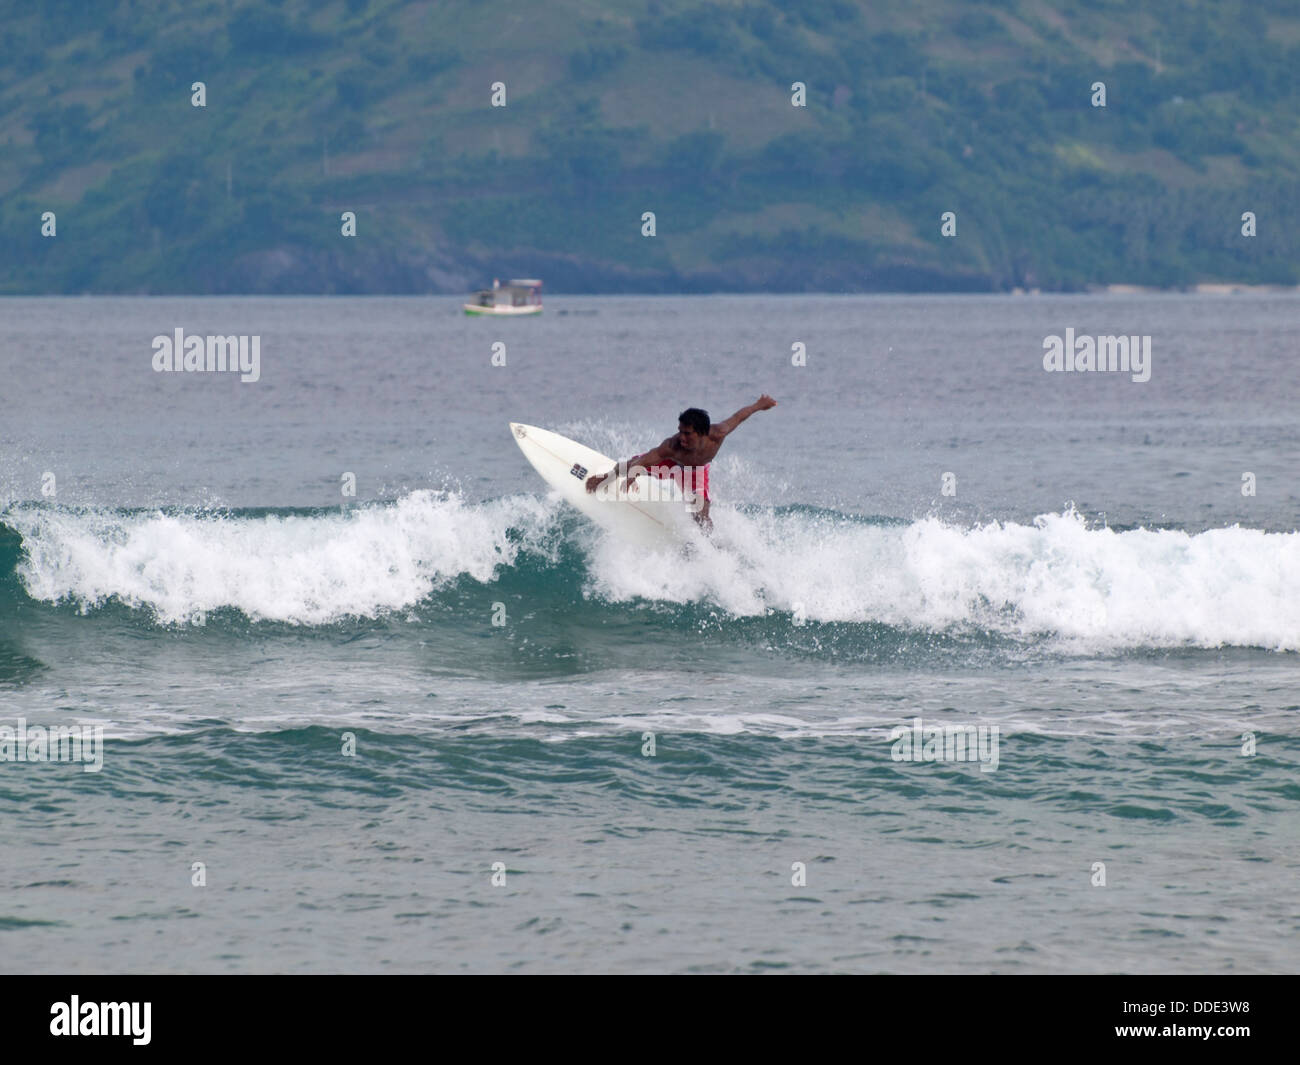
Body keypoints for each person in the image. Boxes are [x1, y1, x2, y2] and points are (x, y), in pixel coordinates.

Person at [585, 395, 778, 530]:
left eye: (687, 433)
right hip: (672, 462)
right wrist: (634, 472)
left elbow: (739, 416)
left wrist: (759, 405)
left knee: (701, 518)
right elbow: (646, 459)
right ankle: (605, 477)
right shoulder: (672, 446)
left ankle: (704, 548)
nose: (681, 437)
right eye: (680, 430)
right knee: (631, 463)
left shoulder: (718, 433)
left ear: (702, 432)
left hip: (696, 472)